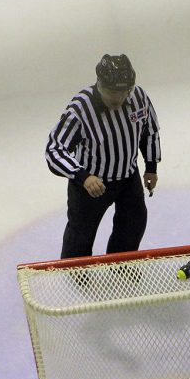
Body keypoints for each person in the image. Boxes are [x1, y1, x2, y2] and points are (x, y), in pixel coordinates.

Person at [45, 54, 161, 259]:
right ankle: (76, 273)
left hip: (128, 177)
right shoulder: (81, 108)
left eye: (123, 92)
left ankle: (121, 266)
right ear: (99, 84)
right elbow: (55, 149)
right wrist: (83, 176)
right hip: (91, 184)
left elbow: (149, 130)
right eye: (111, 92)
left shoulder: (139, 97)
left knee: (133, 225)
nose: (117, 98)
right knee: (80, 235)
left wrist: (151, 167)